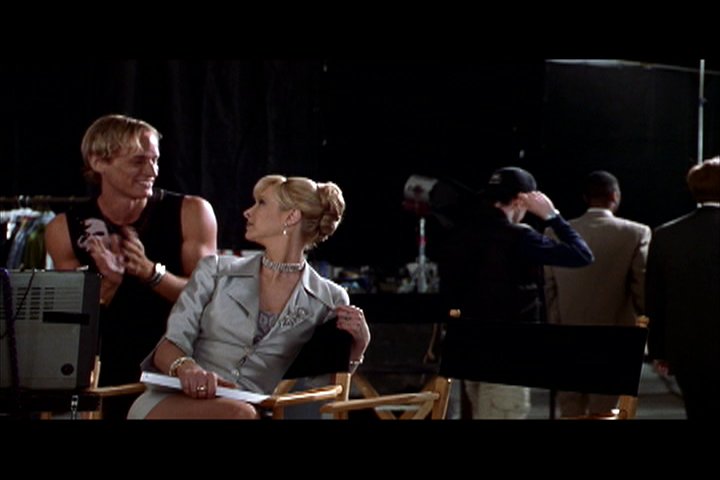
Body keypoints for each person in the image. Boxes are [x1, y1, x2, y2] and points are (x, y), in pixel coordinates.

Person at [127, 174, 370, 419]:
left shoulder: (329, 299)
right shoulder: (215, 271)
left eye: (261, 203)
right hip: (178, 401)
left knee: (242, 413)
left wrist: (356, 349)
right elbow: (168, 346)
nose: (247, 212)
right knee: (240, 414)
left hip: (255, 410)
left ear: (291, 216)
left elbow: (319, 388)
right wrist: (187, 368)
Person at [44, 114, 218, 418]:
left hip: (179, 364)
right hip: (107, 368)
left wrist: (152, 273)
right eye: (138, 161)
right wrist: (108, 283)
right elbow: (72, 324)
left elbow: (209, 300)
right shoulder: (64, 227)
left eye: (155, 160)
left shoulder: (192, 211)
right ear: (99, 162)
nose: (152, 171)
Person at [440, 166, 594, 419]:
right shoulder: (518, 237)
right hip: (507, 349)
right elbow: (581, 255)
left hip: (468, 345)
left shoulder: (463, 233)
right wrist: (553, 216)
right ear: (521, 200)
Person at [544, 170, 651, 417]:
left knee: (570, 410)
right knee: (606, 411)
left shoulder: (555, 234)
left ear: (585, 198)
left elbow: (549, 289)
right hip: (614, 337)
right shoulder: (635, 233)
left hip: (567, 337)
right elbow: (641, 288)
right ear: (615, 196)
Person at [645, 157, 720, 419]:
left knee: (697, 410)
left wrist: (658, 350)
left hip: (687, 347)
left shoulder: (666, 235)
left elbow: (655, 297)